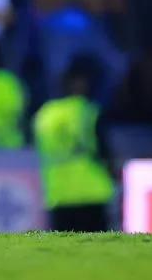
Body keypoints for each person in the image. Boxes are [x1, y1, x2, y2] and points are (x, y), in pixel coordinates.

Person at [32, 61, 115, 233]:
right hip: (92, 191)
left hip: (58, 194)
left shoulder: (44, 114)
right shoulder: (87, 111)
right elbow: (103, 150)